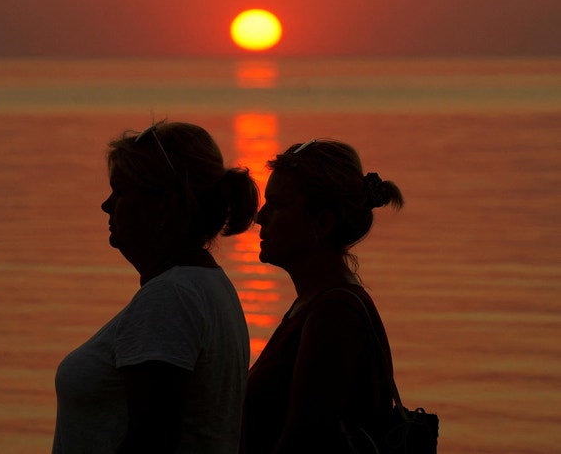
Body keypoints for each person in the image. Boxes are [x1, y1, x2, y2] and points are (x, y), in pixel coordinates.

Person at [53, 121, 259, 453]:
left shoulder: (170, 298)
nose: (107, 205)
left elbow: (151, 441)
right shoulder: (208, 286)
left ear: (164, 203)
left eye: (120, 190)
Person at [241, 138, 405, 454]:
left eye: (277, 204)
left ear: (323, 222)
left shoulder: (334, 315)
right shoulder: (315, 306)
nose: (260, 217)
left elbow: (304, 442)